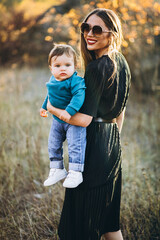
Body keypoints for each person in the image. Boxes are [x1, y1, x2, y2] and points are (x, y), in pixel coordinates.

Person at [47, 8, 131, 240]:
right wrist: (111, 145)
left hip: (94, 149)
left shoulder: (96, 68)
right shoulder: (121, 61)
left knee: (78, 228)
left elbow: (83, 120)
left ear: (111, 34)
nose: (89, 34)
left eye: (97, 29)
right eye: (86, 27)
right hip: (112, 145)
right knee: (108, 223)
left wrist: (53, 109)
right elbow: (120, 112)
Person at [40, 44, 86, 188]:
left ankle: (76, 172)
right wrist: (44, 107)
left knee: (75, 145)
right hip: (57, 121)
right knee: (53, 143)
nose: (63, 68)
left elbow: (79, 95)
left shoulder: (75, 81)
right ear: (51, 68)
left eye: (67, 64)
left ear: (75, 65)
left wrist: (69, 111)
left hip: (73, 121)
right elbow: (51, 95)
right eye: (58, 65)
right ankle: (57, 169)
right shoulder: (53, 80)